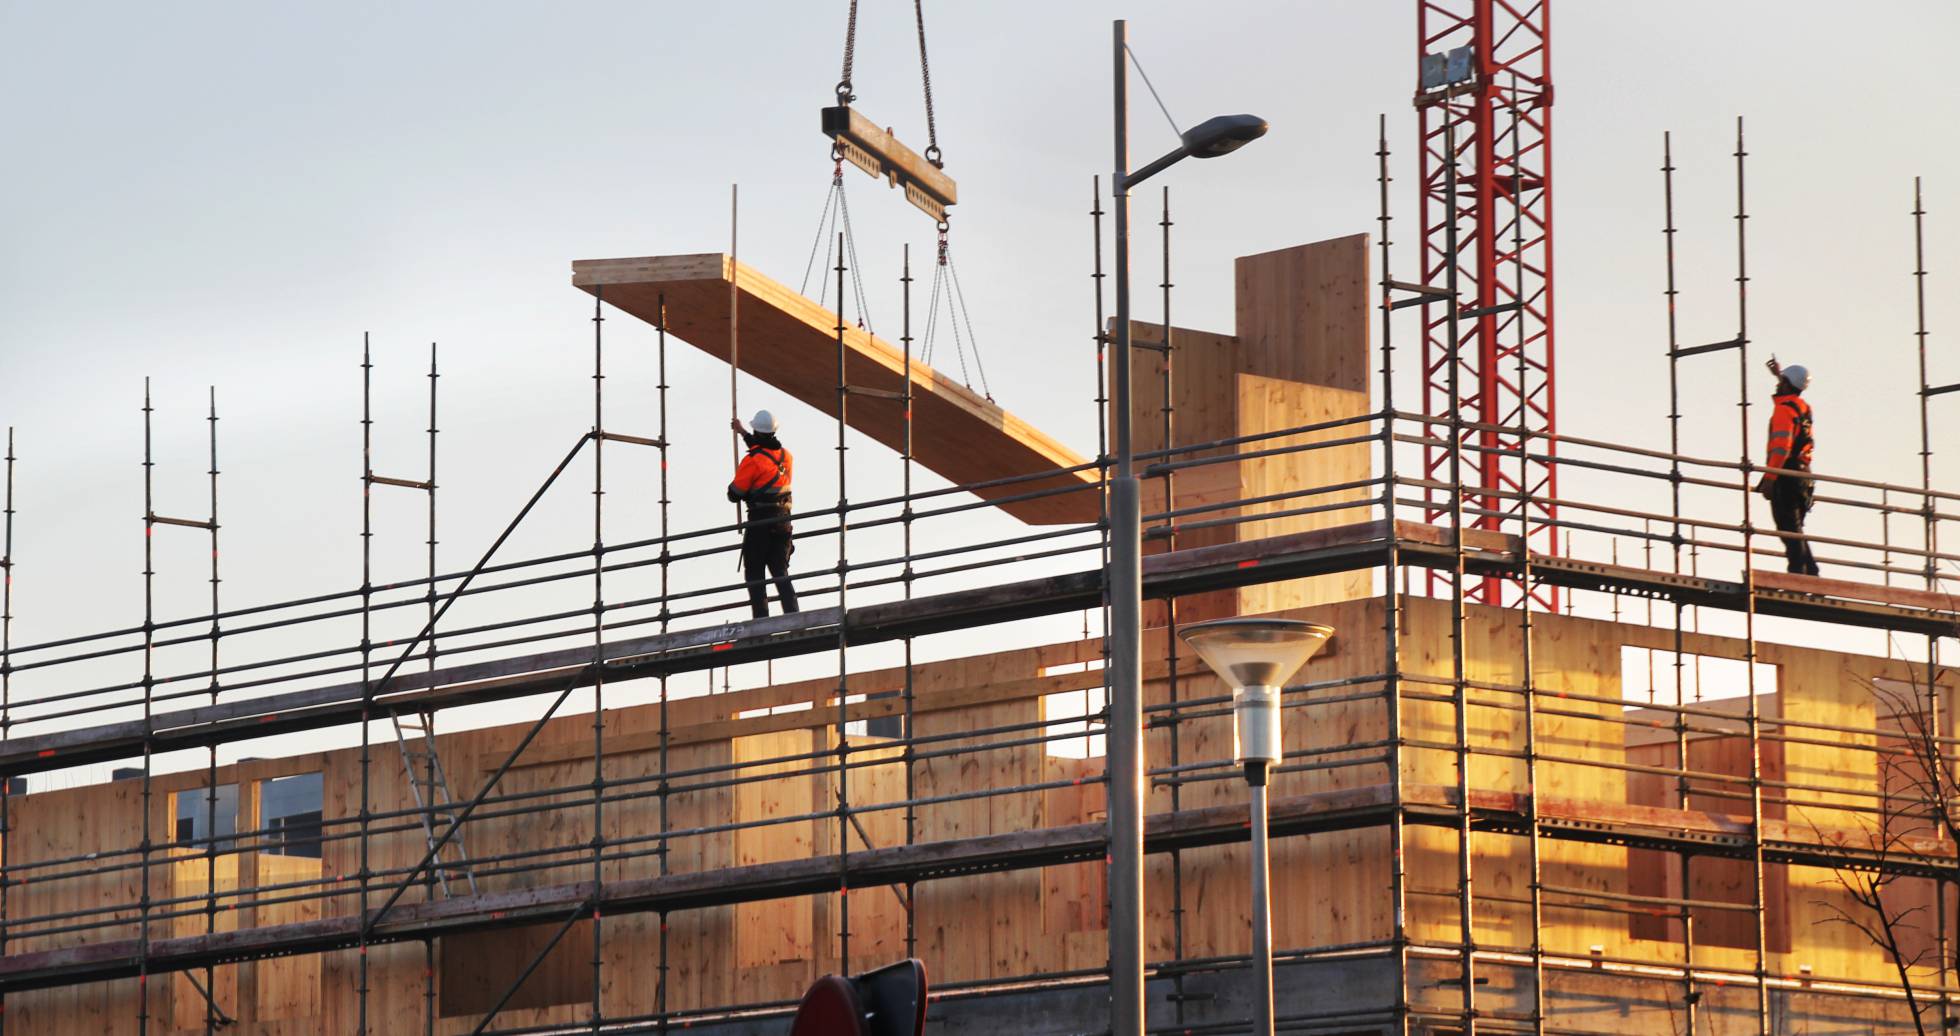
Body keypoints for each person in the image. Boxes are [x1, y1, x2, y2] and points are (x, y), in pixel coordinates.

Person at [728, 409, 801, 619]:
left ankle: (761, 618)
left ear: (757, 431)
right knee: (779, 569)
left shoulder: (752, 461)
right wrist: (742, 432)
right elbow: (765, 453)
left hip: (760, 522)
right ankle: (792, 614)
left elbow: (735, 493)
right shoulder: (786, 457)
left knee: (755, 572)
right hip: (783, 520)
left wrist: (734, 490)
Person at [1755, 359, 1818, 576]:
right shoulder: (1802, 408)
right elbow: (1790, 391)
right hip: (1803, 475)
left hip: (1787, 473)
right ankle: (1811, 573)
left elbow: (1781, 447)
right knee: (1795, 528)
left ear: (1786, 384)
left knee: (1788, 529)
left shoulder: (1784, 410)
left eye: (1781, 381)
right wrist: (1780, 375)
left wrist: (1771, 477)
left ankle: (1798, 575)